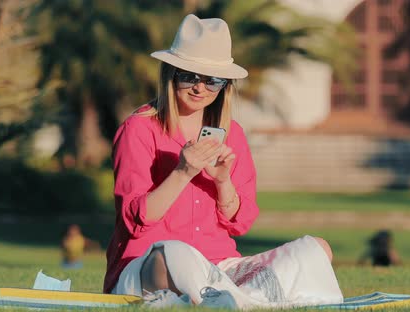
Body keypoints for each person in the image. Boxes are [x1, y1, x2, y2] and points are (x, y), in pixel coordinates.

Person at [103, 14, 343, 309]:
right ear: (171, 73)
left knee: (316, 249)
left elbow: (240, 223)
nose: (199, 88)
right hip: (147, 265)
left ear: (224, 86)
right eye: (189, 76)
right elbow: (136, 221)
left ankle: (228, 300)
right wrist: (183, 172)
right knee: (170, 254)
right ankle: (244, 300)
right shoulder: (139, 129)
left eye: (212, 81)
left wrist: (222, 181)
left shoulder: (232, 133)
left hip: (219, 268)